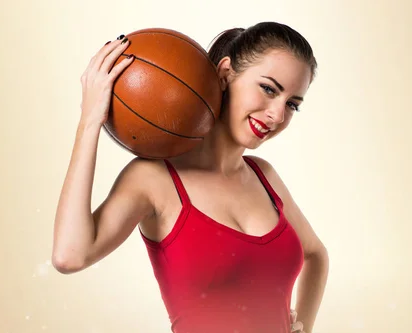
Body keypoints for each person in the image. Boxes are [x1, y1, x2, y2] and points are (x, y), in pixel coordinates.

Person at [52, 21, 329, 333]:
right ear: (225, 73)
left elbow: (316, 255)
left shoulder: (264, 176)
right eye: (268, 89)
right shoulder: (154, 179)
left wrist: (303, 328)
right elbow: (69, 256)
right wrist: (90, 121)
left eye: (292, 104)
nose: (277, 115)